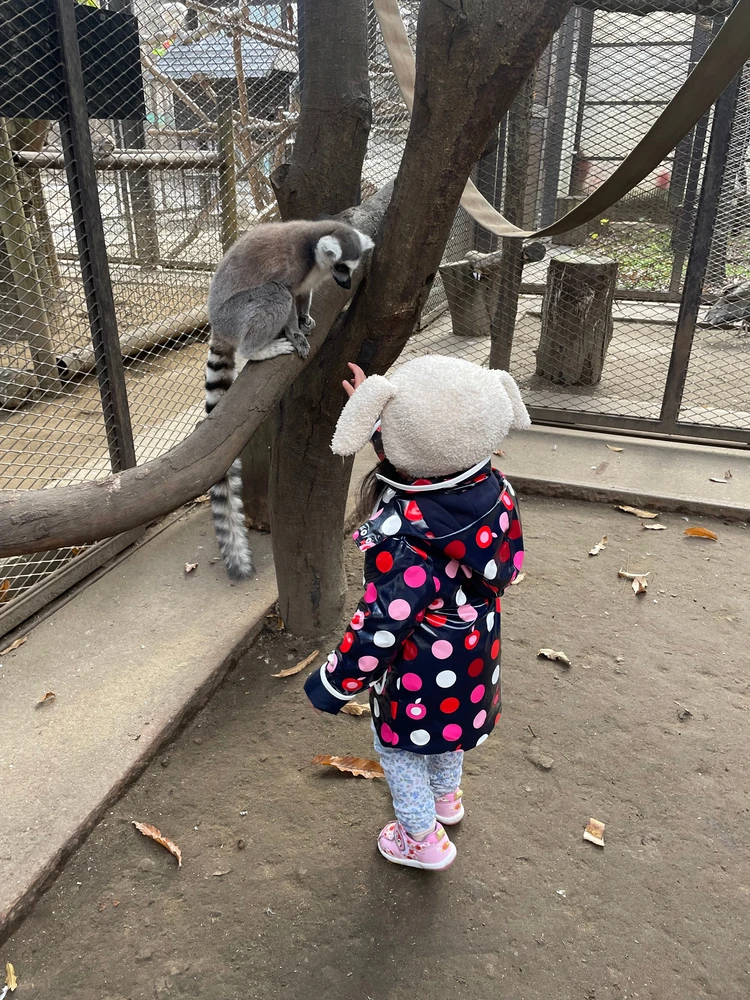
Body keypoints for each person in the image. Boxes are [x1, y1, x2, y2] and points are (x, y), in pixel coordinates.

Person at [304, 354, 530, 870]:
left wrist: (335, 682)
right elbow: (433, 451)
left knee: (400, 749)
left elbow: (381, 625)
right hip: (472, 656)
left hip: (417, 670)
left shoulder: (407, 538)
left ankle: (420, 838)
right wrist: (382, 418)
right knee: (446, 731)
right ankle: (446, 800)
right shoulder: (493, 492)